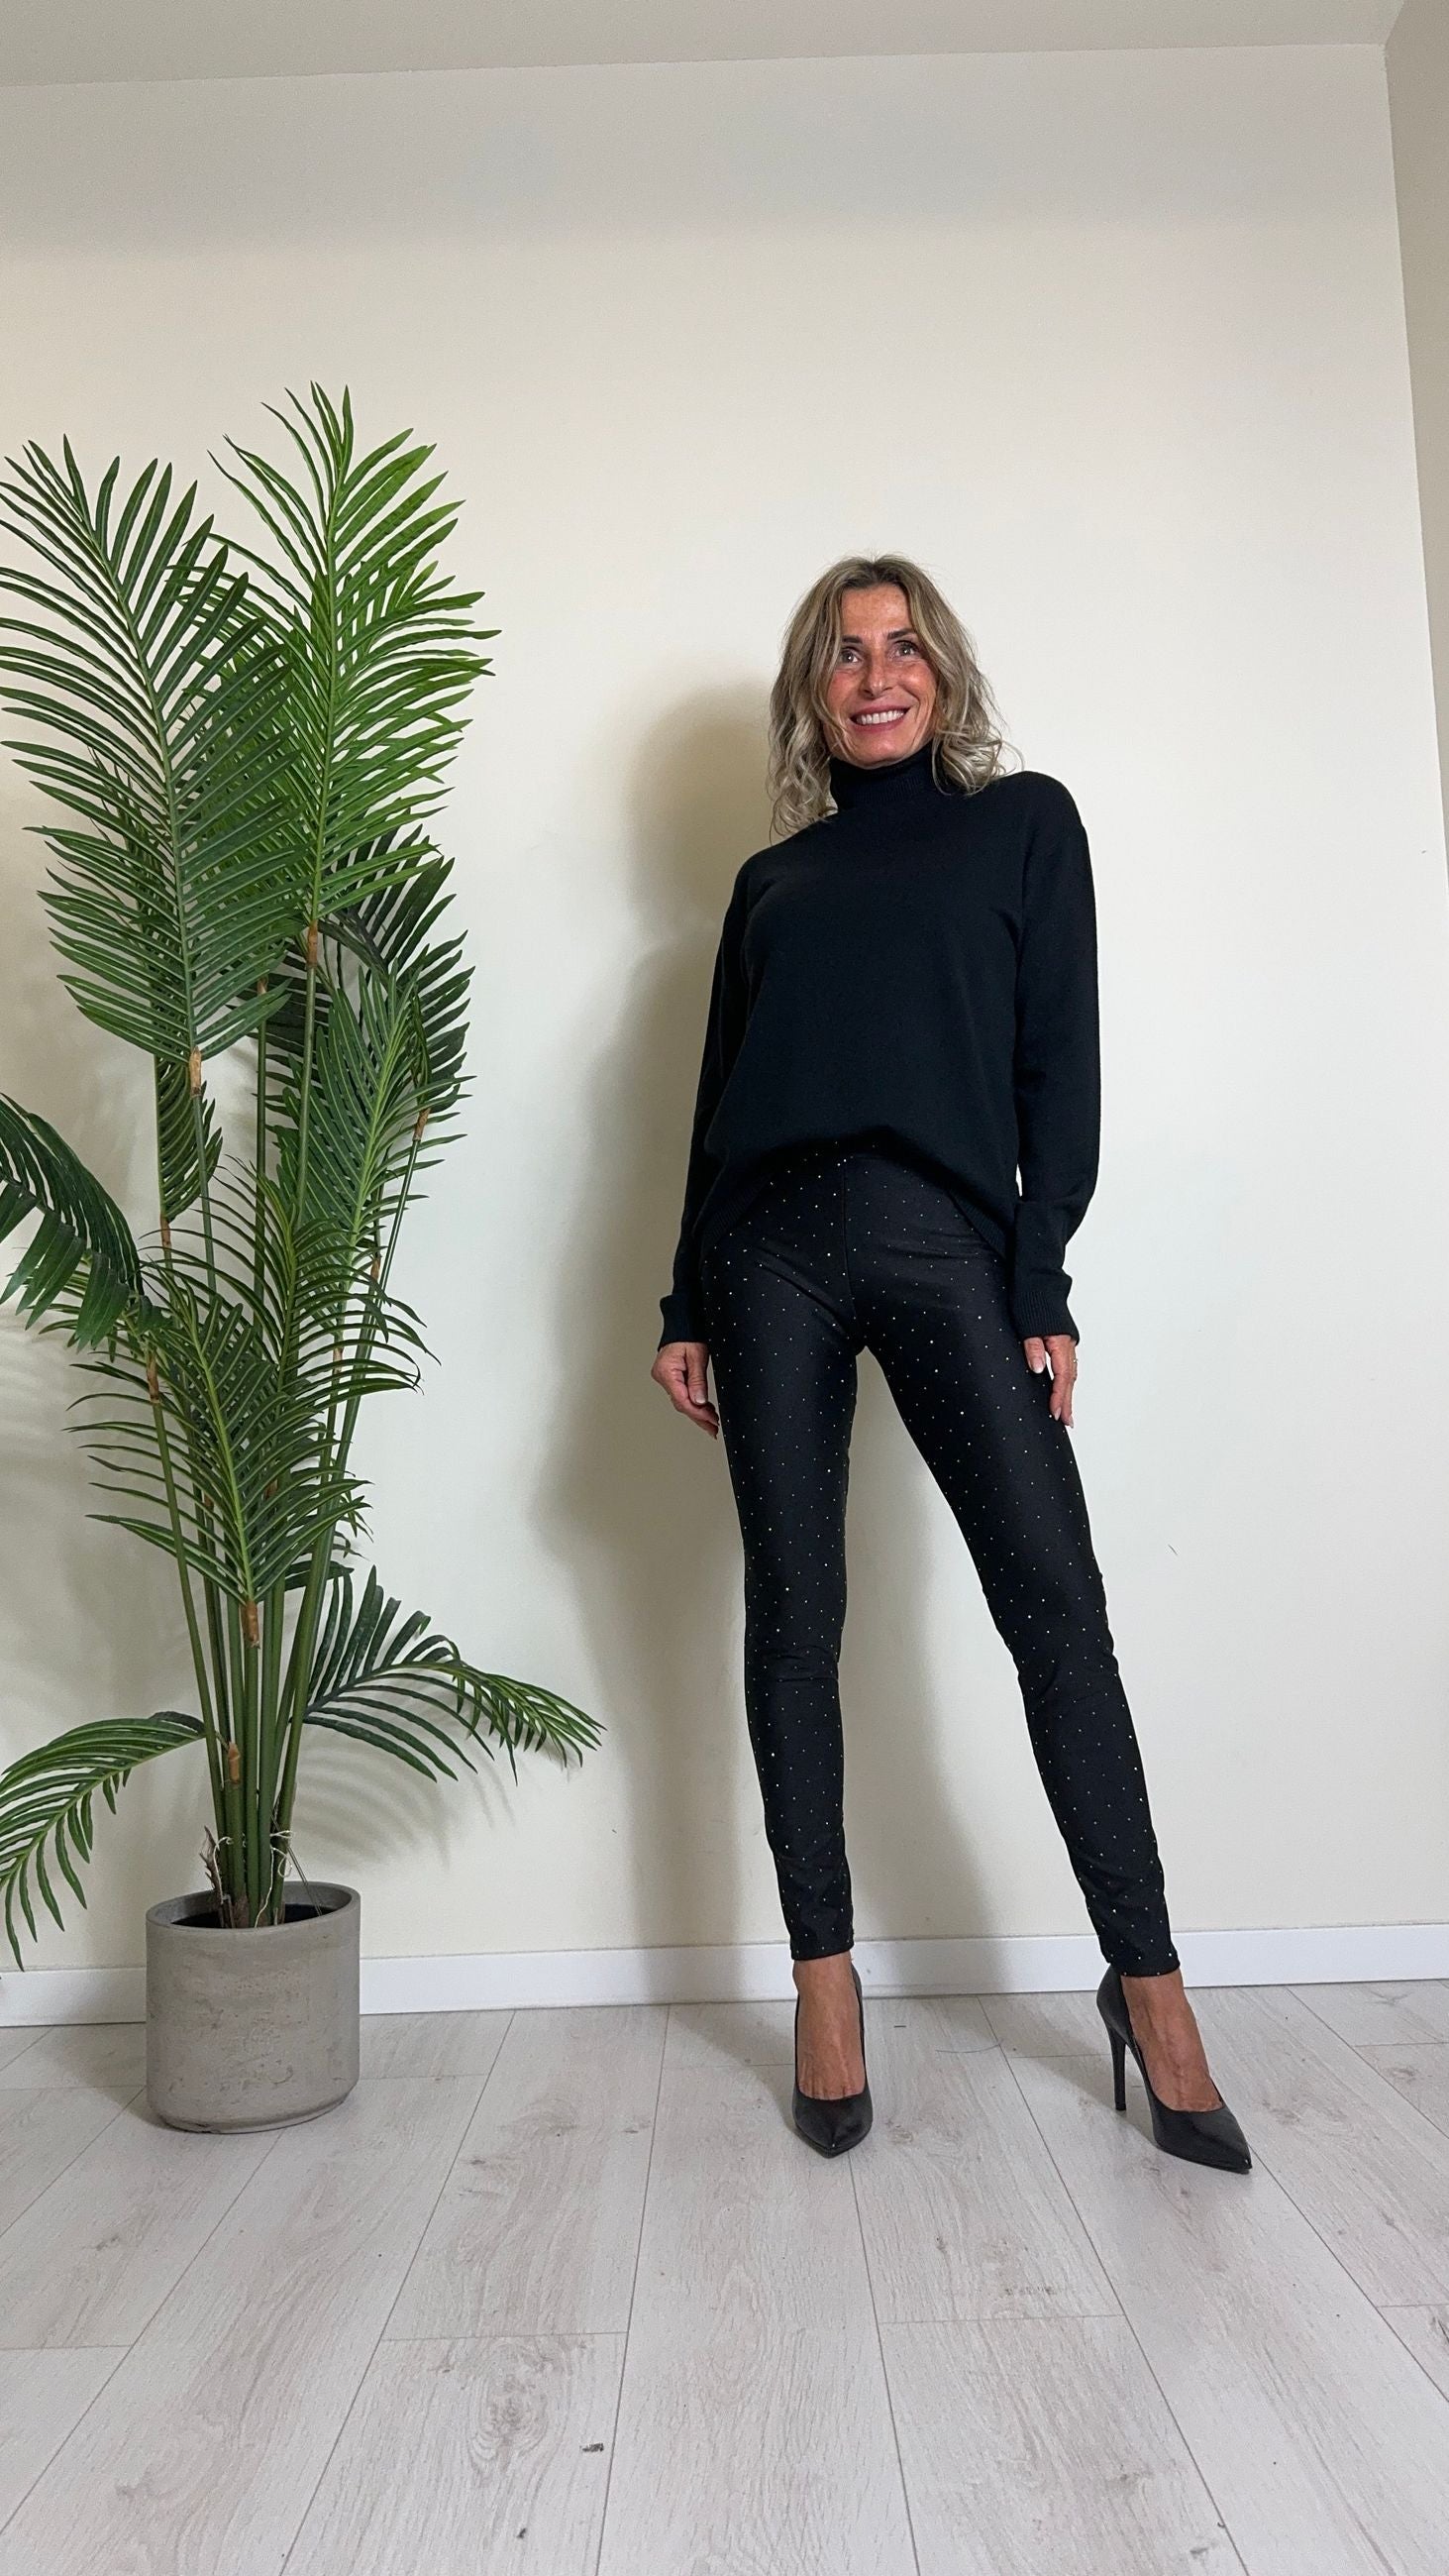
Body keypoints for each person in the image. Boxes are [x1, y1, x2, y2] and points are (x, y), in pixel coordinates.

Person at [652, 554, 1249, 2175]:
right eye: (845, 652)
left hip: (942, 1241)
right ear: (813, 690)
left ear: (943, 671)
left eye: (903, 645)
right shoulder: (770, 885)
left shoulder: (1024, 826)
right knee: (797, 1619)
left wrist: (1039, 1274)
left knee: (1054, 1603)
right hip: (767, 1255)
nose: (877, 673)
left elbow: (1063, 1065)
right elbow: (715, 1107)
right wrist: (683, 1300)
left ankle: (1152, 1989)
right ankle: (825, 1984)